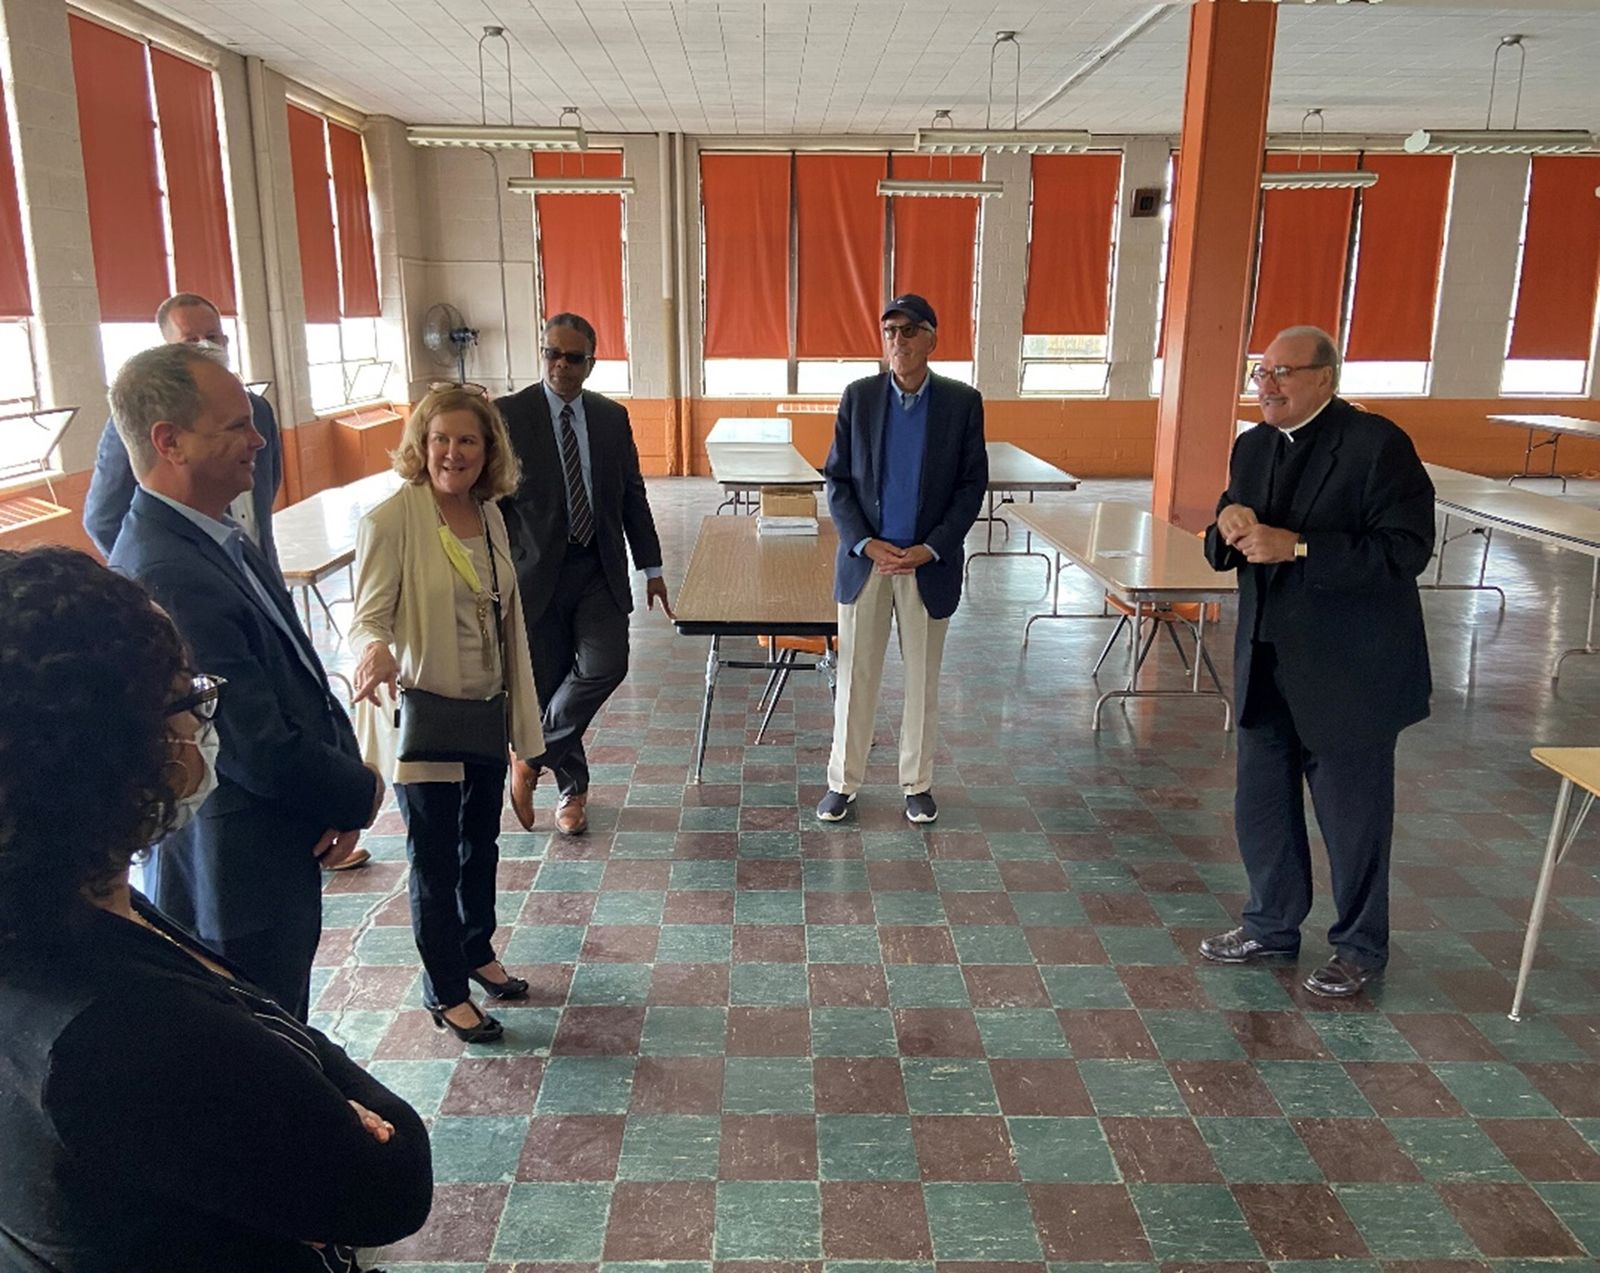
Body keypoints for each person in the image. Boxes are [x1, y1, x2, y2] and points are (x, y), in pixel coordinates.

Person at [0, 546, 432, 1272]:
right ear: (111, 755)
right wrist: (324, 1094)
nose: (205, 714)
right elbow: (392, 1181)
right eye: (187, 697)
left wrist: (287, 1081)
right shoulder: (120, 1033)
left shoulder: (61, 903)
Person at [107, 343, 384, 1021]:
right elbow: (251, 741)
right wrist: (359, 789)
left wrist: (336, 786)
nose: (259, 440)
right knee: (264, 1042)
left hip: (275, 846)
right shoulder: (168, 570)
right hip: (235, 876)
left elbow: (297, 676)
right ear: (169, 441)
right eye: (236, 426)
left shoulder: (218, 535)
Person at [1200, 325, 1435, 998]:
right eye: (1261, 373)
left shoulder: (1377, 446)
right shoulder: (1253, 445)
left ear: (1325, 378)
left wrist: (1300, 547)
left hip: (1349, 671)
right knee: (1262, 806)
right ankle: (1271, 923)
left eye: (1283, 373)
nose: (1267, 385)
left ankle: (1360, 947)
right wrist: (1227, 524)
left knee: (1353, 819)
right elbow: (1230, 524)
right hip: (1267, 660)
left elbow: (1407, 549)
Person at [349, 385, 544, 1044]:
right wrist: (375, 650)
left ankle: (475, 948)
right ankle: (445, 989)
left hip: (484, 711)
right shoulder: (390, 521)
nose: (452, 453)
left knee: (479, 845)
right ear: (421, 444)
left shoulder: (488, 514)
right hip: (428, 718)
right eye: (440, 439)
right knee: (434, 859)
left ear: (488, 450)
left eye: (466, 440)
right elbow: (368, 617)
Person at [816, 294, 987, 826]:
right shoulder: (860, 397)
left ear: (932, 338)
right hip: (867, 561)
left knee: (922, 681)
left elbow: (970, 486)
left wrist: (931, 547)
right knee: (856, 677)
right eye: (890, 330)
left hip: (926, 564)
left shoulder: (961, 403)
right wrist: (863, 542)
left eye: (910, 330)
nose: (899, 340)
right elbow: (837, 480)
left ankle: (917, 784)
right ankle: (843, 783)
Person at [498, 313, 672, 836]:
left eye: (573, 357)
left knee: (606, 664)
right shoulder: (509, 415)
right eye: (552, 354)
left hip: (598, 567)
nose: (561, 365)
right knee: (551, 682)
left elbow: (632, 493)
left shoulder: (611, 417)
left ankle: (530, 758)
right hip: (535, 575)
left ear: (591, 364)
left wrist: (652, 566)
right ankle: (573, 792)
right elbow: (491, 502)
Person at [84, 293, 283, 576]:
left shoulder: (258, 409)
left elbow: (266, 484)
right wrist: (148, 573)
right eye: (191, 341)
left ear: (226, 341)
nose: (205, 347)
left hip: (258, 571)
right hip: (189, 575)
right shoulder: (139, 420)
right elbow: (103, 518)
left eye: (212, 337)